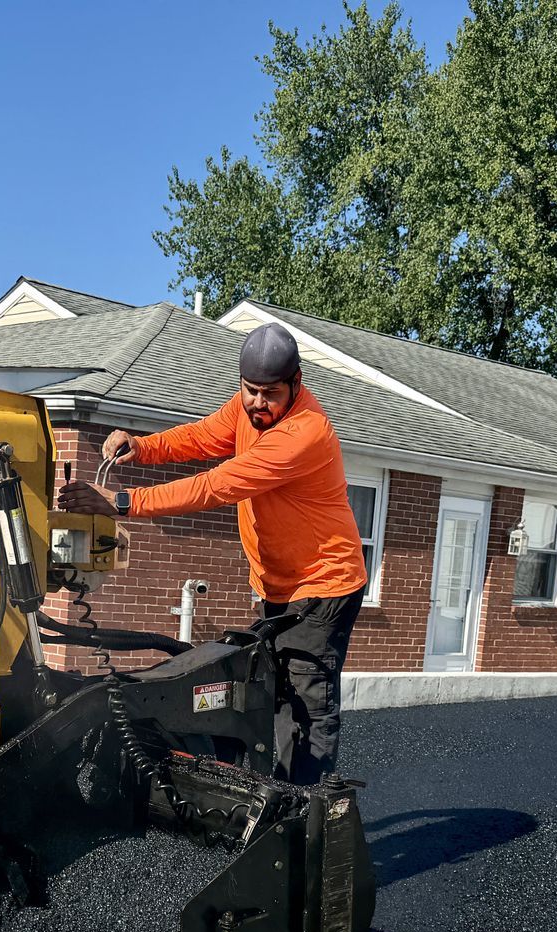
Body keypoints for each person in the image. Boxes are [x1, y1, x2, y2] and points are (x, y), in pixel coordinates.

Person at [57, 322, 367, 785]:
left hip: (324, 588)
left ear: (296, 384)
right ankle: (264, 795)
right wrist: (140, 447)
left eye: (271, 394)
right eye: (250, 391)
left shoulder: (305, 433)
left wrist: (121, 502)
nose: (259, 403)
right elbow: (202, 437)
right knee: (262, 689)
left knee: (303, 705)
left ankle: (305, 823)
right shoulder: (247, 413)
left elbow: (216, 485)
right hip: (278, 586)